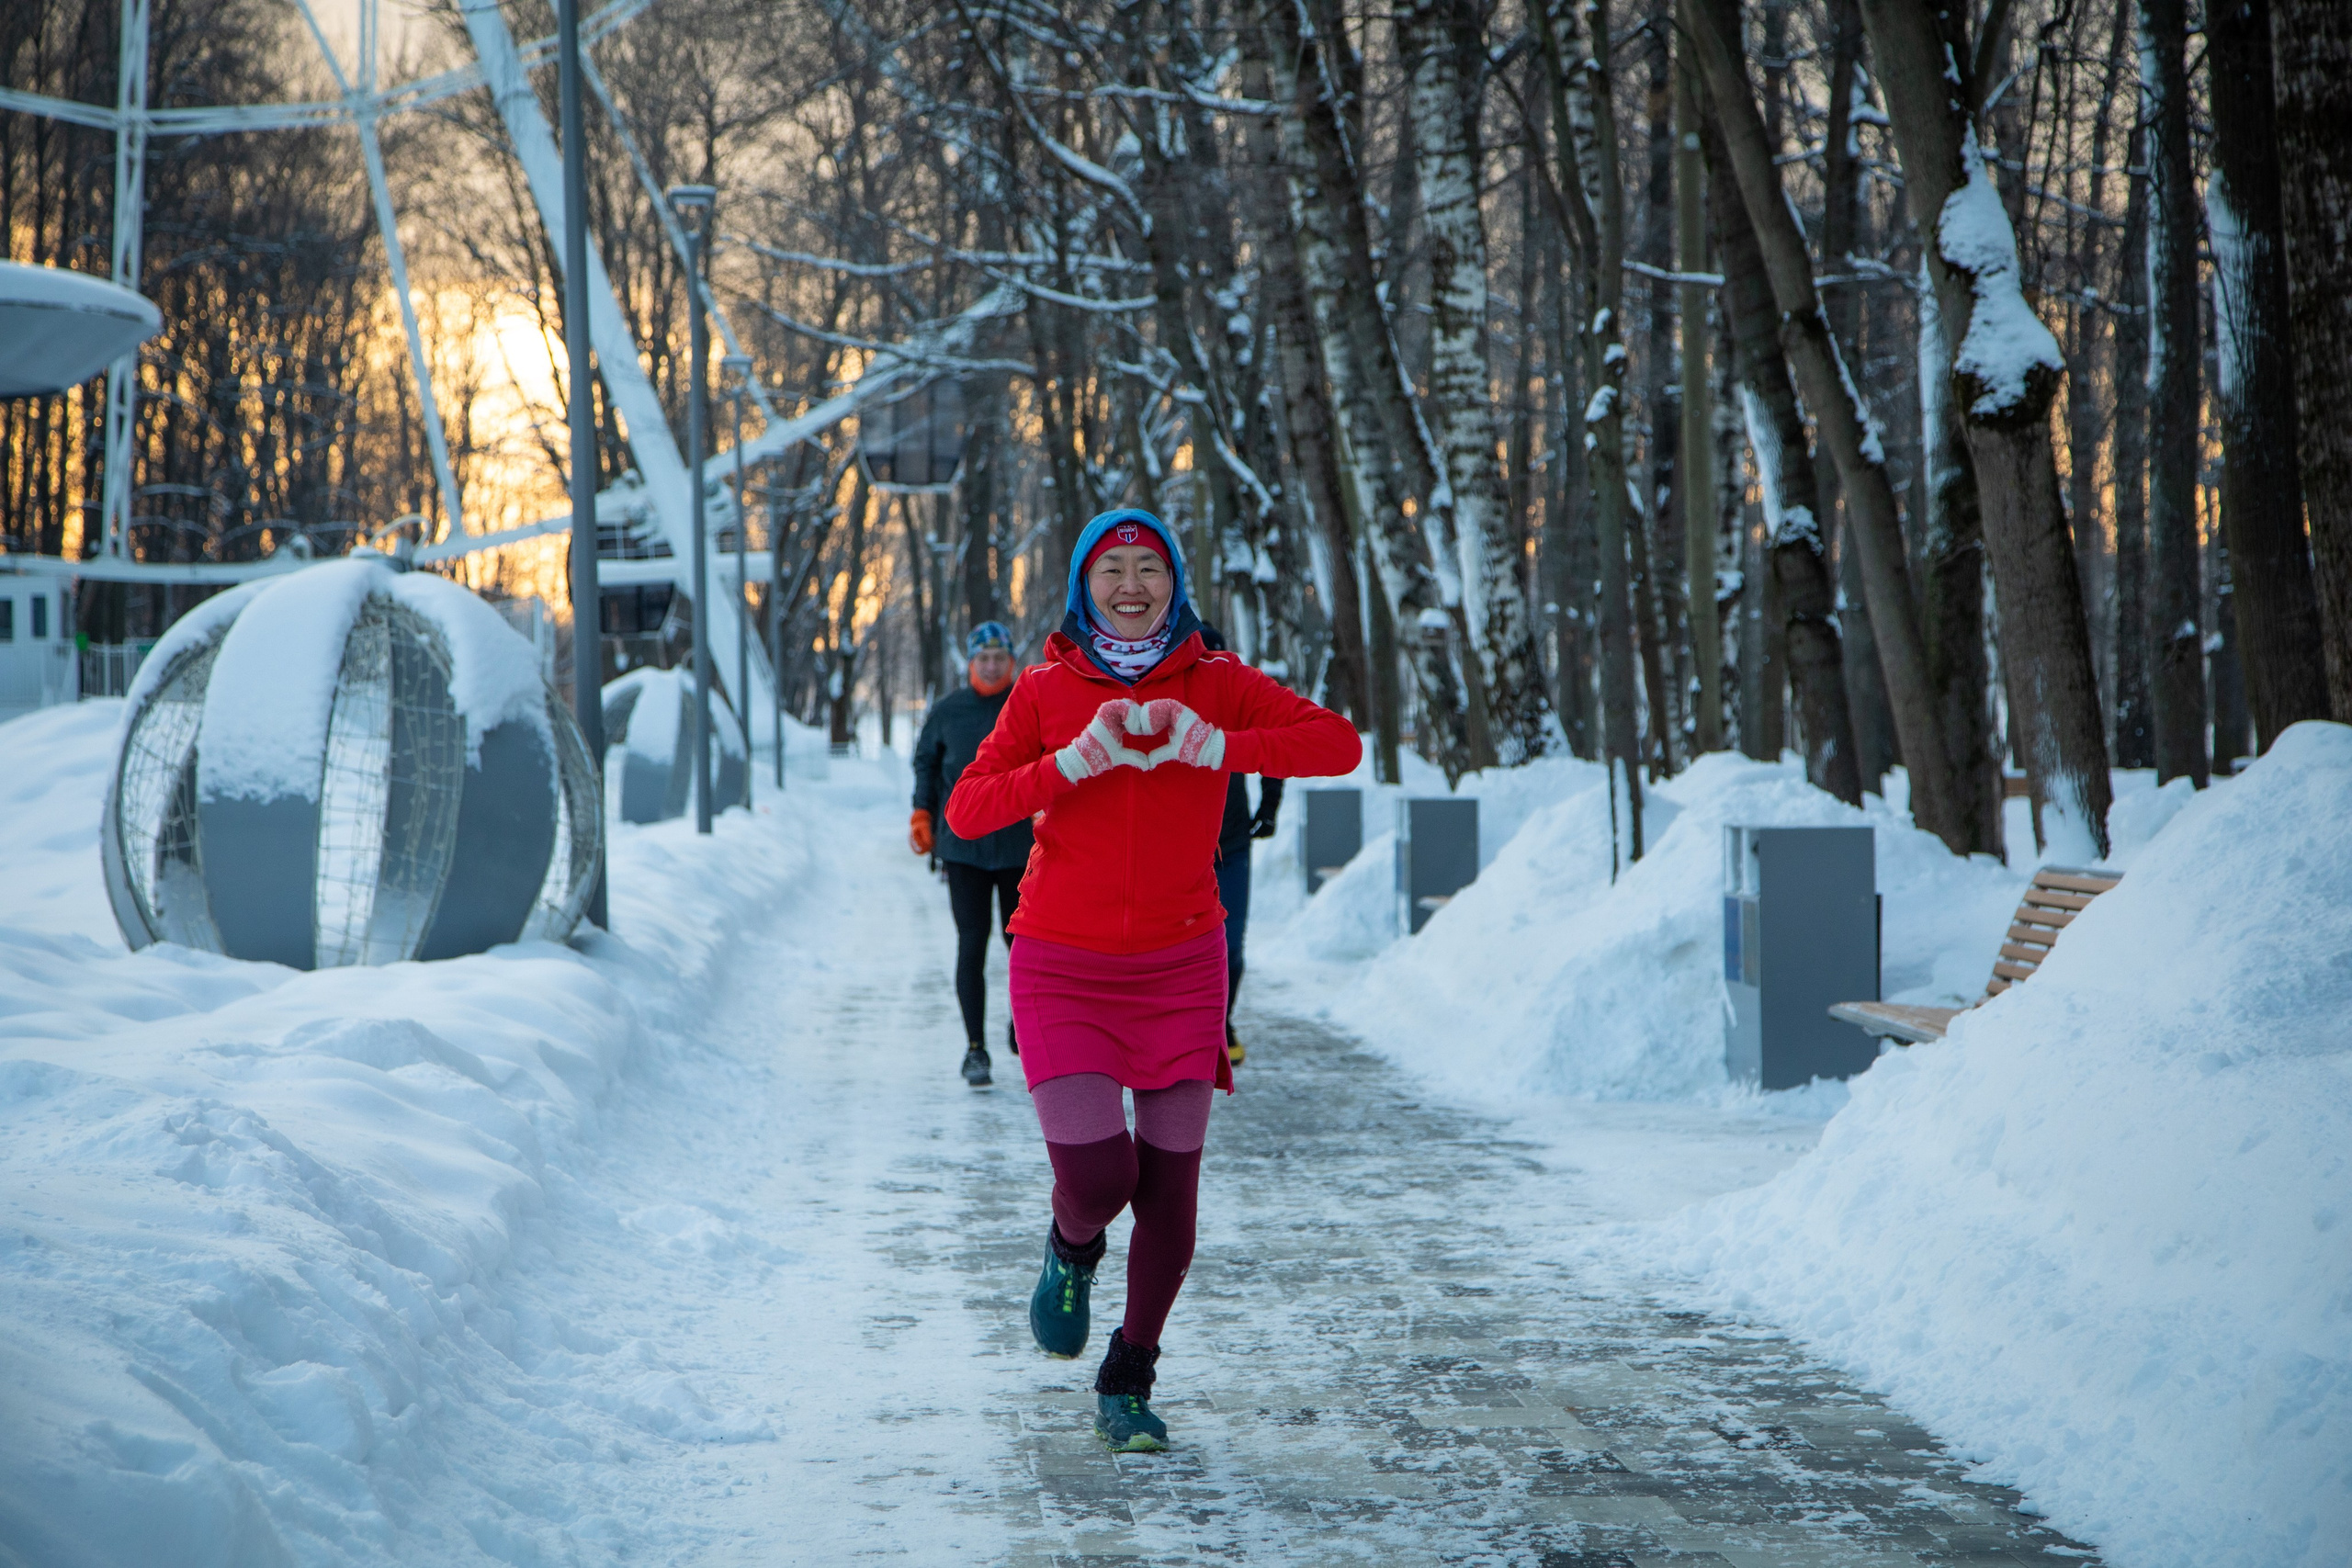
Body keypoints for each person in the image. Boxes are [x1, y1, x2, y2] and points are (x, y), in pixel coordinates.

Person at [947, 509, 1360, 1452]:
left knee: (1171, 1197)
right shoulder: (1044, 690)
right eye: (1112, 570)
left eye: (1149, 568)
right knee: (1099, 1177)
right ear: (1082, 587)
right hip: (1061, 962)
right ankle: (1072, 1244)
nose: (1131, 586)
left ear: (1175, 581)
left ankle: (1128, 1375)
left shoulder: (1216, 681)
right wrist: (1070, 763)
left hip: (1181, 966)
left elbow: (1336, 743)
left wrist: (1217, 745)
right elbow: (968, 809)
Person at [910, 621, 1034, 1088]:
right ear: (971, 662)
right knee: (972, 942)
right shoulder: (948, 711)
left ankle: (1023, 1024)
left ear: (1011, 661)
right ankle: (975, 1047)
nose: (992, 665)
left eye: (1000, 658)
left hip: (1022, 848)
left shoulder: (1029, 703)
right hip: (963, 849)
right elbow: (925, 764)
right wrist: (921, 814)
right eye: (984, 658)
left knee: (1023, 945)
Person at [1196, 626, 1282, 1067]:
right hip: (1180, 849)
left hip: (1231, 845)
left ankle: (1221, 1023)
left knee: (1230, 944)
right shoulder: (1167, 701)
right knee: (1181, 945)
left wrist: (1269, 808)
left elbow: (1274, 745)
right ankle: (1187, 1028)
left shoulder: (1236, 699)